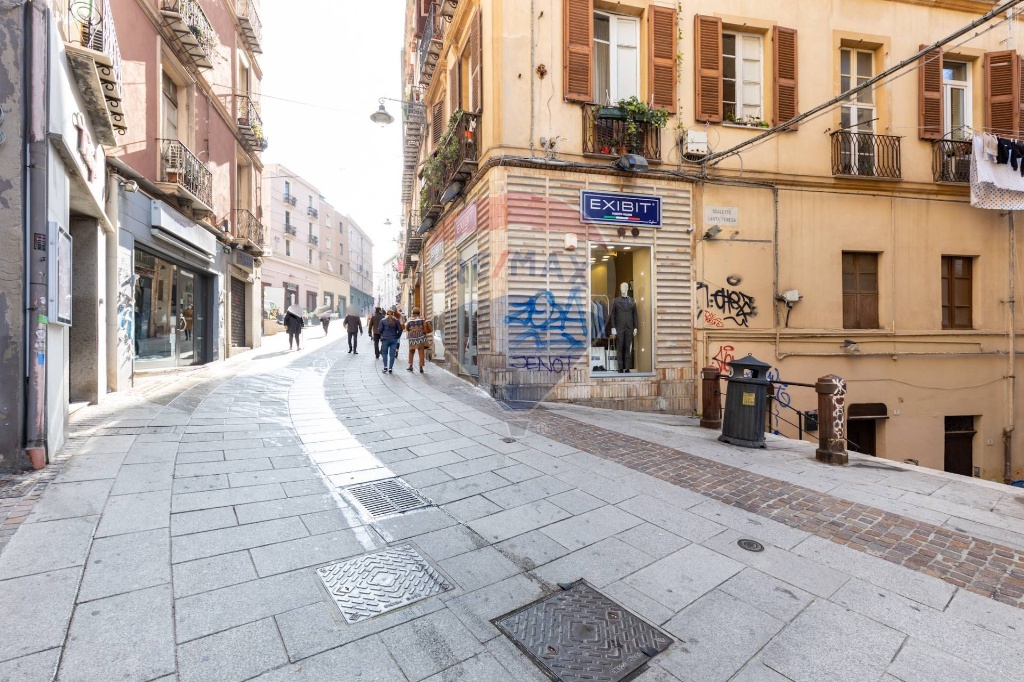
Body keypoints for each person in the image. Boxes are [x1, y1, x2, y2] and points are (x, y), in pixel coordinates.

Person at [405, 307, 432, 373]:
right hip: (421, 338)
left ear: (413, 313)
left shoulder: (409, 320)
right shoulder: (422, 319)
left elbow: (407, 328)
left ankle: (410, 366)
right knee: (421, 353)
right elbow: (425, 329)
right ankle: (421, 367)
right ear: (419, 312)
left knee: (411, 352)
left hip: (412, 338)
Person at [377, 306, 403, 373]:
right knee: (392, 354)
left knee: (384, 353)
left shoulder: (383, 321)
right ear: (393, 314)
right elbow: (400, 329)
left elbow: (380, 330)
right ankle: (390, 368)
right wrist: (397, 336)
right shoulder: (396, 321)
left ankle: (385, 367)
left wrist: (382, 334)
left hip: (385, 339)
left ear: (386, 314)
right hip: (394, 339)